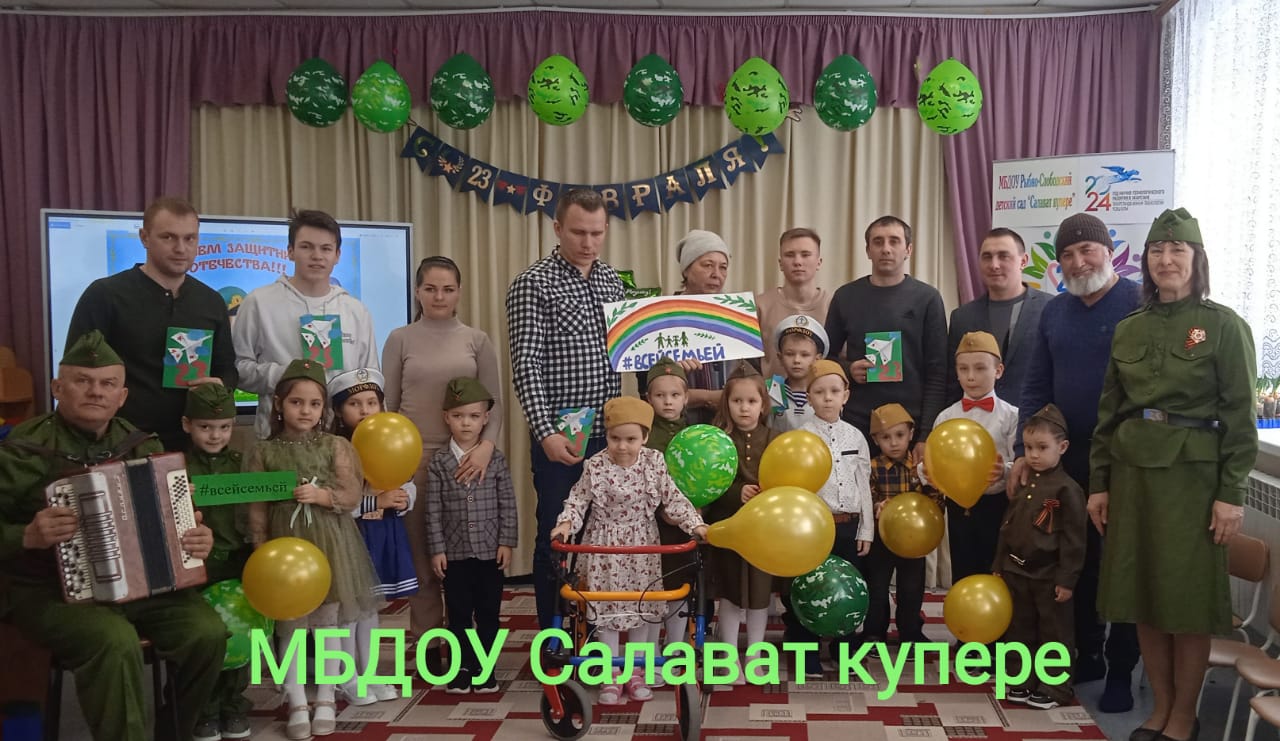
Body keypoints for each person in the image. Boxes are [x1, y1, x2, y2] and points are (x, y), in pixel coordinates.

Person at [0, 330, 225, 741]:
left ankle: (173, 732)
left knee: (206, 633)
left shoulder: (141, 444)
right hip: (48, 591)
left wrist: (196, 538)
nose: (96, 392)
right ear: (57, 388)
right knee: (114, 641)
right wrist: (26, 536)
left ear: (122, 396)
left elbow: (177, 522)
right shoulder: (22, 448)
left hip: (144, 589)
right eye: (83, 381)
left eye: (107, 384)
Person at [1088, 208, 1257, 741]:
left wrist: (1231, 494)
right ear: (1146, 261)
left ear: (1196, 259)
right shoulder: (1129, 327)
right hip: (1133, 475)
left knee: (1186, 605)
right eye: (1157, 251)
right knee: (1142, 598)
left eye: (1177, 250)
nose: (1166, 260)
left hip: (1193, 481)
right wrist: (1099, 484)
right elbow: (1109, 413)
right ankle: (1159, 709)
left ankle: (1184, 716)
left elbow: (1240, 418)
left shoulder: (1224, 326)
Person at [1014, 211, 1142, 712]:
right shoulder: (1054, 313)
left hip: (1126, 458)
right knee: (1076, 557)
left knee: (1121, 563)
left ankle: (1120, 669)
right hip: (1068, 460)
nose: (1077, 261)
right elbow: (1035, 385)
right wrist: (1026, 450)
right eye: (1066, 254)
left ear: (1109, 251)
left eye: (1087, 250)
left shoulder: (1139, 303)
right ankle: (1087, 654)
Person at [506, 189, 624, 629]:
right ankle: (553, 636)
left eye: (596, 233)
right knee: (557, 535)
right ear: (557, 229)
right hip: (562, 435)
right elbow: (526, 365)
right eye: (578, 232)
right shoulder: (533, 283)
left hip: (611, 435)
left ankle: (594, 631)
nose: (588, 242)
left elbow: (628, 350)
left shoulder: (612, 281)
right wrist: (545, 432)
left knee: (602, 534)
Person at [245, 358, 380, 740]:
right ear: (278, 404)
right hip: (284, 548)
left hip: (329, 545)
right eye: (296, 402)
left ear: (324, 409)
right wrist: (260, 546)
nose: (305, 411)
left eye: (314, 404)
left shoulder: (335, 446)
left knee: (327, 623)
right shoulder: (263, 451)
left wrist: (322, 496)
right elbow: (256, 508)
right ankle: (295, 701)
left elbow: (351, 494)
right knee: (290, 624)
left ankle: (325, 697)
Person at [384, 255, 503, 668]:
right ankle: (430, 641)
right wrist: (391, 464)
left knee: (464, 557)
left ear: (459, 293)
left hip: (469, 460)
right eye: (431, 288)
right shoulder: (400, 338)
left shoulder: (476, 340)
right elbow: (389, 406)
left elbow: (494, 402)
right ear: (418, 291)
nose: (439, 296)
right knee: (424, 556)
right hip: (414, 460)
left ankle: (465, 640)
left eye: (448, 289)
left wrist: (486, 447)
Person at [550, 396, 707, 704]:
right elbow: (578, 499)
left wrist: (695, 525)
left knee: (642, 608)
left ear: (645, 437)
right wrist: (565, 524)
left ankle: (635, 671)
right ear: (607, 435)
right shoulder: (595, 465)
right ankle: (610, 674)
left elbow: (673, 498)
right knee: (606, 609)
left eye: (631, 439)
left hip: (642, 545)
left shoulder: (653, 462)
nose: (622, 446)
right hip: (604, 546)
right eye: (615, 438)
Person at [66, 196, 237, 451]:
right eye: (168, 237)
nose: (181, 248)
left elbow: (227, 369)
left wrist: (220, 385)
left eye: (190, 238)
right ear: (144, 237)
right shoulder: (105, 295)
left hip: (191, 446)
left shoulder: (210, 302)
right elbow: (76, 371)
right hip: (119, 445)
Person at [233, 209, 379, 439]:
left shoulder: (356, 311)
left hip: (340, 439)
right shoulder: (258, 302)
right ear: (290, 251)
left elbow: (369, 381)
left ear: (337, 255)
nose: (317, 256)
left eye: (326, 248)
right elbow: (237, 369)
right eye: (306, 247)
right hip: (277, 440)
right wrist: (287, 375)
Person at [823, 216, 948, 461]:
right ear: (868, 250)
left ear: (908, 249)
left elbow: (938, 371)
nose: (886, 248)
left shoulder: (928, 298)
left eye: (894, 241)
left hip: (910, 426)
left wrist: (926, 434)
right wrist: (848, 369)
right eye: (878, 242)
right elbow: (826, 358)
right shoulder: (846, 296)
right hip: (857, 423)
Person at [328, 367, 416, 705]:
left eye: (371, 402)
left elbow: (405, 479)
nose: (364, 411)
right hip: (348, 537)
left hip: (381, 534)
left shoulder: (389, 437)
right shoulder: (335, 449)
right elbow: (334, 502)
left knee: (370, 610)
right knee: (347, 611)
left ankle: (369, 673)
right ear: (338, 411)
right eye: (354, 404)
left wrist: (404, 498)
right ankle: (345, 676)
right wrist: (373, 503)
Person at [425, 377, 517, 695]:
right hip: (455, 554)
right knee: (459, 613)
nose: (466, 422)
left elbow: (508, 503)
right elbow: (432, 510)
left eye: (474, 416)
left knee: (489, 612)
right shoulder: (439, 462)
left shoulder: (496, 459)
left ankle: (484, 666)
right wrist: (437, 550)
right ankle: (462, 666)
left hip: (490, 552)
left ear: (485, 418)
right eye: (458, 415)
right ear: (446, 417)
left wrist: (507, 542)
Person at [994, 404, 1086, 711]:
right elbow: (1008, 526)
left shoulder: (1067, 489)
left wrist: (1067, 579)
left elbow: (1074, 540)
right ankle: (1020, 678)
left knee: (1053, 632)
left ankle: (1054, 686)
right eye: (1029, 447)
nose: (1033, 455)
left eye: (1042, 448)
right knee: (1018, 628)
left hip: (1049, 575)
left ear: (1063, 447)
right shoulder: (1023, 482)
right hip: (1017, 570)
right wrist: (999, 565)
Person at [787, 360, 873, 676]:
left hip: (848, 525)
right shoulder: (801, 436)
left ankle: (844, 652)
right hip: (813, 528)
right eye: (820, 392)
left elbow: (864, 485)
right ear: (809, 397)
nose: (827, 398)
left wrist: (867, 530)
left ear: (845, 395)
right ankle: (805, 654)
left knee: (847, 588)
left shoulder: (856, 437)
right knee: (809, 587)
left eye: (835, 391)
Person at [183, 383, 254, 741]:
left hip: (237, 564)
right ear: (187, 425)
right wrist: (177, 493)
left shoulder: (244, 465)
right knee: (206, 640)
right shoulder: (177, 469)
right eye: (205, 427)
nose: (215, 435)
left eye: (224, 427)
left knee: (241, 632)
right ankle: (205, 709)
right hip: (198, 568)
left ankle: (234, 704)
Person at [703, 361, 778, 683]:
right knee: (731, 593)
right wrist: (737, 492)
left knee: (760, 595)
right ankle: (729, 656)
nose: (744, 408)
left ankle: (755, 655)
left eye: (751, 401)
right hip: (728, 527)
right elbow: (709, 484)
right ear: (726, 404)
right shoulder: (717, 440)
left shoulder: (774, 438)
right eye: (737, 401)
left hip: (763, 532)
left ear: (763, 405)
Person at [930, 331, 1018, 584]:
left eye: (980, 368)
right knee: (963, 567)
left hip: (998, 505)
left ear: (998, 371)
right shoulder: (946, 418)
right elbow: (935, 459)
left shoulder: (1011, 416)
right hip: (958, 506)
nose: (970, 376)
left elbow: (1020, 461)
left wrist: (1005, 471)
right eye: (963, 369)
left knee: (997, 567)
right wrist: (929, 472)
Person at [862, 403, 941, 646]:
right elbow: (866, 496)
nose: (894, 443)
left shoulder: (920, 467)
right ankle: (874, 633)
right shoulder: (872, 467)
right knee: (877, 587)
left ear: (911, 434)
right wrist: (877, 505)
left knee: (911, 589)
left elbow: (935, 499)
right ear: (875, 440)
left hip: (914, 541)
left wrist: (932, 500)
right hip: (881, 538)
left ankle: (910, 632)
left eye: (899, 435)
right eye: (886, 437)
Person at [638, 229, 736, 425]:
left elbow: (750, 373)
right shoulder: (659, 317)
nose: (716, 274)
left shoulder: (736, 316)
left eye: (723, 267)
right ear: (686, 270)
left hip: (728, 423)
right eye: (707, 265)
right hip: (675, 425)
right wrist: (669, 367)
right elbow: (645, 386)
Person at [945, 228, 1050, 408]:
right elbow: (952, 384)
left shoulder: (1050, 309)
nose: (994, 265)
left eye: (1003, 256)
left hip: (1036, 420)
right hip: (976, 421)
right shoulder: (962, 317)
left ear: (1023, 261)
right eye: (987, 257)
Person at [643, 357, 694, 655]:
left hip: (684, 525)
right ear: (648, 398)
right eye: (660, 395)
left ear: (686, 397)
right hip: (652, 526)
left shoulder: (696, 433)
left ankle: (675, 646)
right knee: (652, 587)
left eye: (675, 395)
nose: (668, 401)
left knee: (681, 585)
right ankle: (648, 652)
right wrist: (662, 511)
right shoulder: (644, 435)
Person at [756, 227, 833, 378]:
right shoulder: (759, 306)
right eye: (790, 255)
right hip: (771, 392)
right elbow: (747, 365)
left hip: (823, 392)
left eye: (805, 255)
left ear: (819, 262)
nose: (797, 262)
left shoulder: (834, 305)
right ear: (780, 263)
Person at [769, 314, 828, 432]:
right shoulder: (773, 392)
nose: (796, 360)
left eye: (804, 355)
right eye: (790, 354)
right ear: (780, 358)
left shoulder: (826, 394)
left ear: (818, 359)